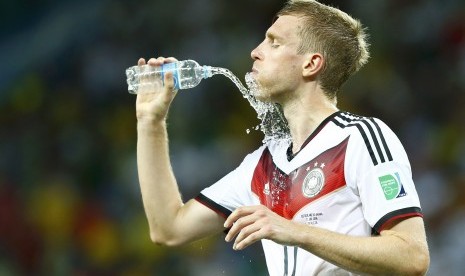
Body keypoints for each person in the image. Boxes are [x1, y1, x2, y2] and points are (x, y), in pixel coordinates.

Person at [134, 0, 430, 275]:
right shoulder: (261, 165)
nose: (255, 51)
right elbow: (169, 229)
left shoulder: (360, 138)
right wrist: (150, 122)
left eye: (274, 42)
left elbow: (412, 257)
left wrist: (294, 230)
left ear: (311, 64)